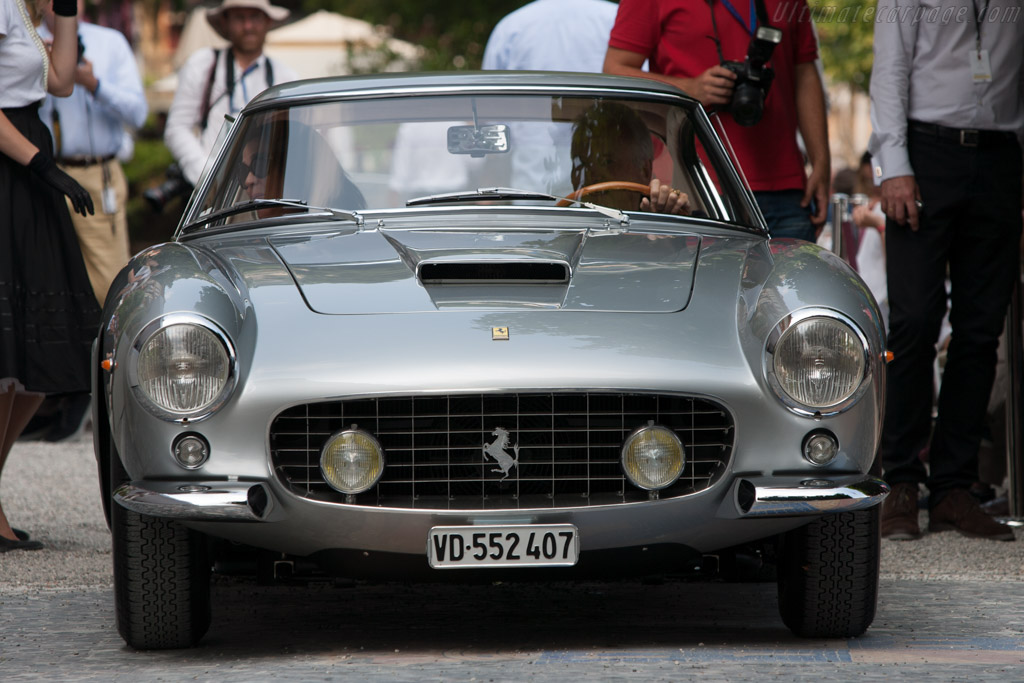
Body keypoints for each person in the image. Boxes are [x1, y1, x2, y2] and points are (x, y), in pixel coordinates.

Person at [869, 0, 1022, 542]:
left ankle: (955, 487)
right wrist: (893, 166)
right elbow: (889, 70)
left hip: (1002, 155)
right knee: (912, 321)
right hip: (925, 151)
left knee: (980, 330)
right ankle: (901, 480)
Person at [1, 0, 101, 552]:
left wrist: (66, 13)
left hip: (30, 165)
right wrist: (41, 165)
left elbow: (61, 82)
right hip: (10, 166)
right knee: (12, 346)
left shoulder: (24, 18)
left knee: (44, 348)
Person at [603, 0, 830, 241]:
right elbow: (614, 69)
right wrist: (690, 88)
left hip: (786, 191)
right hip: (695, 189)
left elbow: (805, 70)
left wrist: (822, 163)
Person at [38, 0, 147, 307]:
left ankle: (111, 353)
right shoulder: (26, 43)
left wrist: (92, 84)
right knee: (48, 285)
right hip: (40, 174)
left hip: (98, 175)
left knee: (109, 286)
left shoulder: (109, 42)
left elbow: (138, 114)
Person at [482, 0, 622, 193]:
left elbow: (490, 127)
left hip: (532, 191)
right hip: (609, 190)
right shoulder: (615, 20)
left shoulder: (511, 28)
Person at [164, 0, 296, 189]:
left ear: (267, 21)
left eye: (254, 17)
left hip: (266, 192)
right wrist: (208, 175)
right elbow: (177, 128)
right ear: (225, 22)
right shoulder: (203, 65)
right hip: (211, 193)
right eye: (239, 18)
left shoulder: (284, 77)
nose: (248, 26)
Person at [569, 101, 691, 215]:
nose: (591, 174)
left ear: (644, 171)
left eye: (607, 162)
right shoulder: (556, 228)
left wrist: (674, 214)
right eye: (582, 163)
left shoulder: (666, 222)